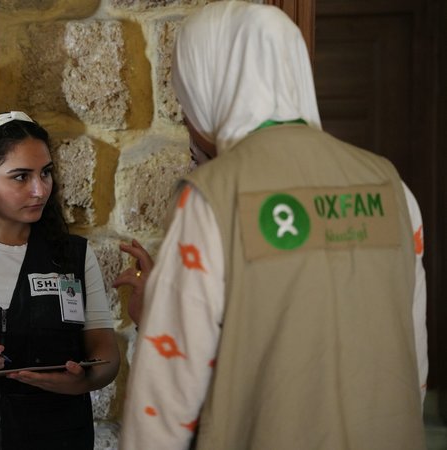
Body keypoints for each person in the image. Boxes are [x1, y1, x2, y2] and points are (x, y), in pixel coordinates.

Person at [118, 2, 428, 449]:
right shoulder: (392, 186)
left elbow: (163, 407)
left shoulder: (212, 196)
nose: (184, 113)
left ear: (210, 81)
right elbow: (412, 365)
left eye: (181, 92)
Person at [0, 111, 120, 450]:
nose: (39, 189)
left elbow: (107, 358)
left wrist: (80, 380)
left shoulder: (72, 256)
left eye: (46, 173)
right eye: (20, 177)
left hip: (56, 435)